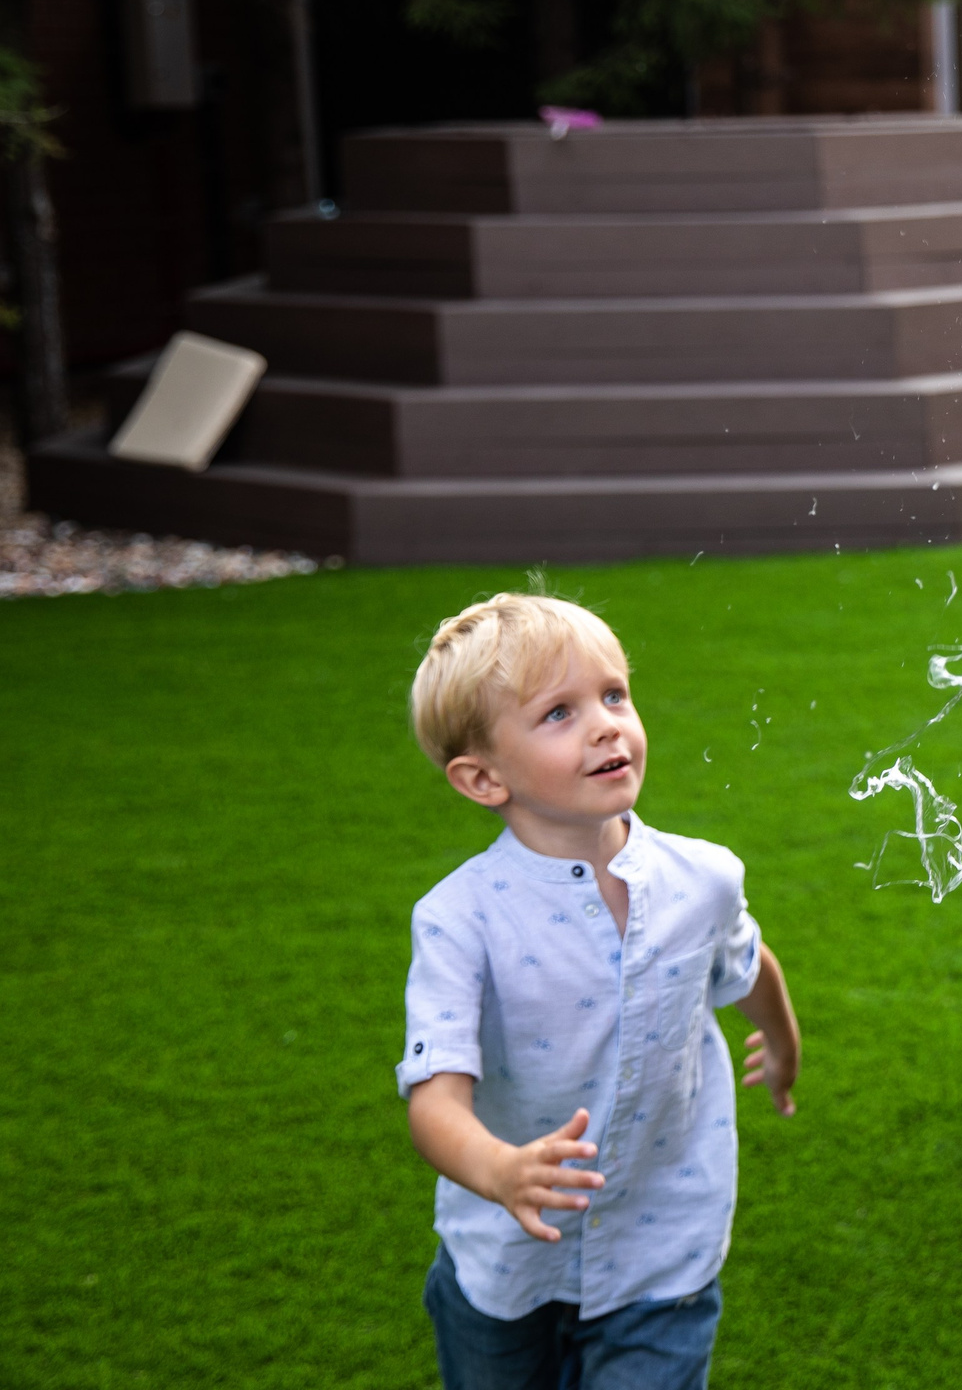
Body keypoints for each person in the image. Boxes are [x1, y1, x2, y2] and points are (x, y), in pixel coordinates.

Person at [400, 593, 803, 1390]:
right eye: (559, 713)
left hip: (665, 1246)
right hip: (507, 1259)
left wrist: (783, 1046)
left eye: (614, 695)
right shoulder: (459, 919)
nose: (606, 725)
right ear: (483, 778)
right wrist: (500, 1171)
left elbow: (748, 962)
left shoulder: (703, 877)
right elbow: (434, 1101)